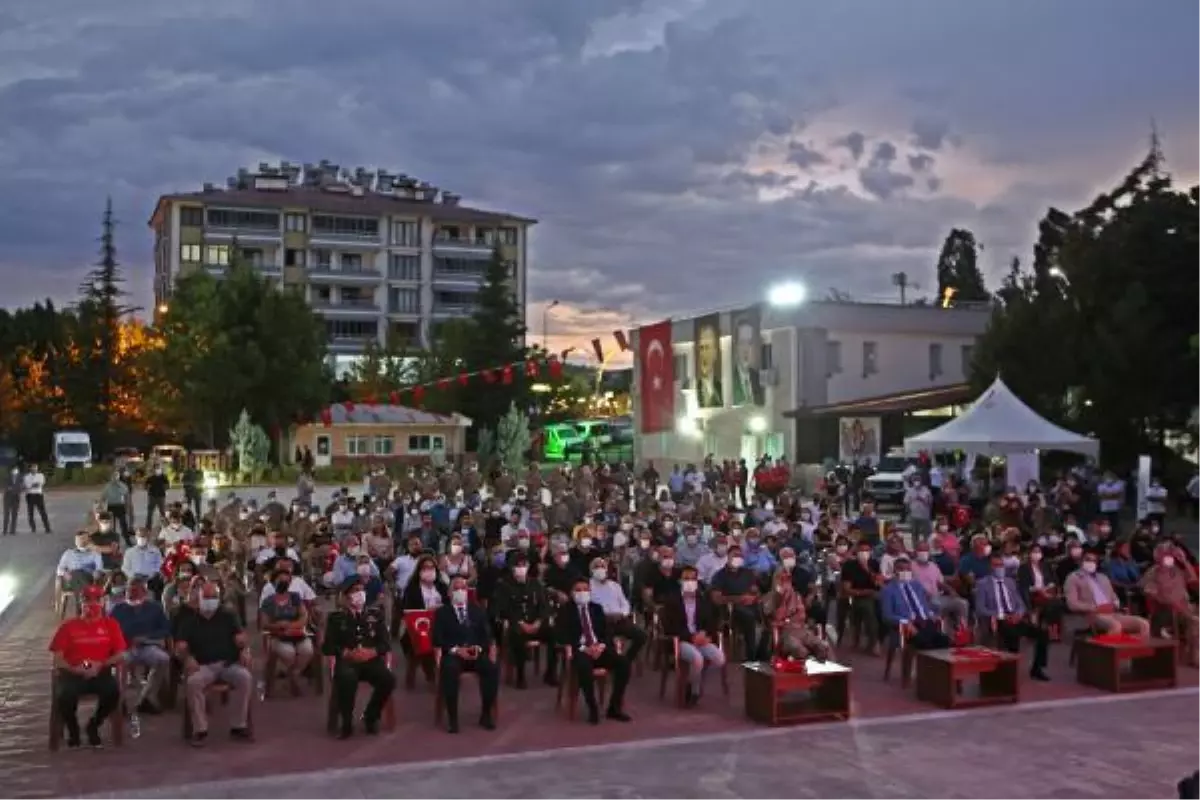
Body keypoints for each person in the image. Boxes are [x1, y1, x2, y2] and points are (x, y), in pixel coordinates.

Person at [174, 581, 254, 746]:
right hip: (202, 666)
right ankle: (200, 730)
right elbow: (180, 646)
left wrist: (245, 650)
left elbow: (241, 638)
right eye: (207, 597)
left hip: (228, 664)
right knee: (193, 682)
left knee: (244, 677)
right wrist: (187, 657)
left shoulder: (228, 616)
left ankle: (238, 726)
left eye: (214, 597)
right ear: (200, 598)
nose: (211, 600)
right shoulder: (189, 620)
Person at [48, 584, 127, 747]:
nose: (91, 604)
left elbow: (121, 654)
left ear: (103, 602)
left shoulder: (111, 625)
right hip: (72, 673)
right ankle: (73, 728)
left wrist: (100, 664)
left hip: (101, 672)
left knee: (113, 692)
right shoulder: (68, 626)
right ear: (80, 603)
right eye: (86, 600)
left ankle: (94, 724)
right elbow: (58, 659)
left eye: (97, 599)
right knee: (64, 695)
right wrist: (74, 669)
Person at [322, 579, 395, 738]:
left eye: (362, 590)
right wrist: (346, 652)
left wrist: (373, 651)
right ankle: (346, 722)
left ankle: (371, 715)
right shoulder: (336, 618)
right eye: (355, 590)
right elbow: (327, 647)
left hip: (370, 659)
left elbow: (385, 643)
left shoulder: (375, 615)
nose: (359, 594)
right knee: (347, 679)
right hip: (348, 661)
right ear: (346, 596)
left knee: (388, 679)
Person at [555, 577, 632, 725]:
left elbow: (606, 632)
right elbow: (561, 635)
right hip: (580, 650)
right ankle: (592, 708)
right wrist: (585, 648)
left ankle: (614, 707)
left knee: (623, 663)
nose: (582, 593)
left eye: (585, 589)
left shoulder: (596, 608)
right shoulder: (565, 610)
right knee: (584, 666)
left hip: (599, 648)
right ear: (571, 593)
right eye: (578, 590)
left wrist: (601, 645)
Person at [432, 576, 499, 733]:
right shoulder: (442, 613)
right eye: (456, 588)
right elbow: (437, 639)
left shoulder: (477, 611)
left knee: (491, 668)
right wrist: (456, 650)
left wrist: (479, 648)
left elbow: (487, 636)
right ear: (450, 593)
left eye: (463, 588)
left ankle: (486, 713)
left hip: (475, 653)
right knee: (449, 670)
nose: (460, 591)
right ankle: (453, 718)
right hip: (454, 654)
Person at [974, 553, 1051, 681]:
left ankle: (1037, 668)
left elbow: (1020, 603)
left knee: (1042, 633)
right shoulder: (983, 584)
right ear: (990, 567)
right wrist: (1002, 616)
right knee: (1011, 634)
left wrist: (1019, 613)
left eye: (1001, 565)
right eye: (996, 565)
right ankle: (1009, 672)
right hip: (998, 619)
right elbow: (980, 608)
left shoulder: (1010, 582)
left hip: (1015, 618)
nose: (999, 568)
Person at [659, 565, 725, 705]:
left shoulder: (703, 600)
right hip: (681, 641)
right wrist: (691, 637)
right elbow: (670, 627)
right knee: (697, 659)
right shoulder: (672, 600)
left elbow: (712, 622)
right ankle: (693, 690)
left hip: (701, 639)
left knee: (719, 659)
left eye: (693, 579)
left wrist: (706, 634)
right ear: (680, 581)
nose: (690, 582)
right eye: (686, 578)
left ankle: (695, 679)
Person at [110, 577, 171, 714]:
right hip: (125, 648)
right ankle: (121, 702)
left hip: (147, 646)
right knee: (121, 662)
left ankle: (146, 698)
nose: (133, 593)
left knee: (163, 659)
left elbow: (165, 629)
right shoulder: (118, 609)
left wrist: (148, 637)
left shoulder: (154, 608)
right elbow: (108, 631)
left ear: (144, 592)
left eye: (137, 590)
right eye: (130, 590)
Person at [1064, 551, 1151, 637]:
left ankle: (1138, 650)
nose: (1091, 563)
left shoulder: (1103, 578)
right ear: (1081, 561)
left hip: (1112, 613)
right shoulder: (1073, 578)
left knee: (1144, 624)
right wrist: (1096, 608)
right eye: (1088, 560)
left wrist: (1115, 605)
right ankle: (1112, 650)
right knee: (1116, 626)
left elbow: (1114, 598)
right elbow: (1072, 604)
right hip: (1093, 614)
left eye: (1094, 561)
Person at [259, 567, 314, 695]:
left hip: (296, 633)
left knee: (307, 650)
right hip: (278, 636)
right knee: (289, 653)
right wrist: (278, 626)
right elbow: (264, 624)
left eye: (286, 581)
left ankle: (293, 673)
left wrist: (291, 625)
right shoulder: (269, 601)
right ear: (274, 583)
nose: (284, 583)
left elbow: (304, 617)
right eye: (280, 580)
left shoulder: (295, 597)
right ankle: (292, 676)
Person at [880, 557, 950, 651]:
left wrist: (931, 614)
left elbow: (923, 605)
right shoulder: (888, 590)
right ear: (894, 570)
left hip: (925, 622)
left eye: (908, 569)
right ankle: (927, 662)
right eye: (901, 569)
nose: (905, 572)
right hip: (908, 625)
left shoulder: (916, 585)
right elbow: (887, 616)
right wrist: (905, 622)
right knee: (926, 644)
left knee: (946, 641)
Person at [731, 318, 763, 406]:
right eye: (742, 342)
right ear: (736, 345)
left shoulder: (757, 377)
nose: (746, 349)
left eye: (749, 343)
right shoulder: (730, 378)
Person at [694, 321, 723, 408]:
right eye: (701, 348)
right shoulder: (695, 387)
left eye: (707, 347)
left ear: (715, 352)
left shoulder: (720, 387)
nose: (703, 353)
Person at [100, 471, 132, 545]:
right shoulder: (107, 486)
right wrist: (100, 506)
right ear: (111, 478)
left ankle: (127, 540)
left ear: (118, 477)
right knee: (111, 525)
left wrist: (127, 507)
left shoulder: (122, 485)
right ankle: (111, 541)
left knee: (123, 524)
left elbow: (126, 496)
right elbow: (103, 497)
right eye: (113, 477)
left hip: (120, 506)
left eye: (116, 476)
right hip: (111, 506)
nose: (115, 478)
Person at [23, 463, 50, 533]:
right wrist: (33, 485)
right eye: (33, 468)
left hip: (38, 495)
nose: (34, 469)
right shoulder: (26, 476)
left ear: (37, 469)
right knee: (30, 513)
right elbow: (27, 486)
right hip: (30, 495)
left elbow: (41, 483)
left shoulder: (40, 475)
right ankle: (33, 528)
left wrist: (33, 485)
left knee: (43, 512)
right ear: (30, 468)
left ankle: (47, 528)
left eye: (36, 468)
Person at [145, 464, 170, 530]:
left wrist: (164, 487)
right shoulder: (150, 478)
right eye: (156, 468)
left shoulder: (164, 477)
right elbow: (146, 486)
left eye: (158, 468)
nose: (157, 469)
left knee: (162, 512)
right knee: (150, 513)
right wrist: (147, 487)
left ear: (160, 469)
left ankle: (164, 526)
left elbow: (168, 486)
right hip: (152, 497)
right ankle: (148, 527)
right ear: (153, 469)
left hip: (161, 497)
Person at [3, 465, 21, 535]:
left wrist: (13, 488)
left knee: (14, 515)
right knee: (6, 514)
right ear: (11, 470)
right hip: (7, 498)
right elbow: (6, 486)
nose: (15, 471)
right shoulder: (7, 477)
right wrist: (10, 488)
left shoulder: (20, 478)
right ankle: (5, 530)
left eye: (16, 469)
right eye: (14, 469)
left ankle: (12, 530)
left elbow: (21, 487)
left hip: (16, 498)